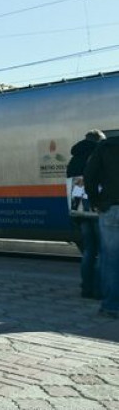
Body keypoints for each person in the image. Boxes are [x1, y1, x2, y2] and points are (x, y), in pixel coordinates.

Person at [67, 130, 106, 299]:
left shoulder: (74, 159)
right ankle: (98, 289)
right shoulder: (98, 154)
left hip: (80, 210)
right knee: (103, 250)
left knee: (89, 250)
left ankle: (86, 288)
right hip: (95, 209)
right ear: (98, 140)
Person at [85, 134, 119, 319]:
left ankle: (112, 306)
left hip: (111, 208)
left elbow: (89, 175)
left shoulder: (105, 147)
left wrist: (95, 200)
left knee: (111, 259)